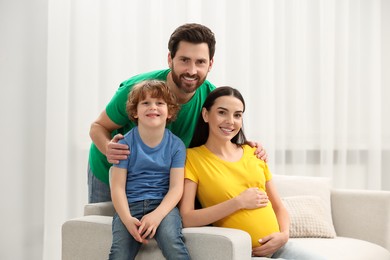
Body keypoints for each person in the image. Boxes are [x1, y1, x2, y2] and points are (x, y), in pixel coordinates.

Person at [88, 23, 267, 203]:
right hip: (113, 171)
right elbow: (98, 126)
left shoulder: (211, 99)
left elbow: (221, 133)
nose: (192, 70)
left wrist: (243, 146)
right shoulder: (137, 90)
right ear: (170, 59)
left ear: (210, 64)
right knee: (103, 228)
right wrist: (108, 149)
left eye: (200, 62)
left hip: (160, 179)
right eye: (184, 60)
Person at [179, 87, 325, 259]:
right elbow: (187, 218)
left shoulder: (253, 152)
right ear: (205, 115)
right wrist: (239, 202)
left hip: (280, 247)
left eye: (237, 115)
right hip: (244, 253)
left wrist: (284, 235)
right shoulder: (192, 158)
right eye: (222, 112)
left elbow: (278, 207)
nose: (230, 121)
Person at [108, 80, 190, 260]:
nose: (153, 107)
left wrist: (157, 215)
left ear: (170, 112)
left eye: (159, 103)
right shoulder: (124, 144)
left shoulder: (176, 146)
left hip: (163, 206)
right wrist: (127, 219)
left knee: (172, 242)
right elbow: (117, 187)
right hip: (129, 205)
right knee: (119, 252)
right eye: (145, 103)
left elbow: (176, 188)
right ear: (135, 112)